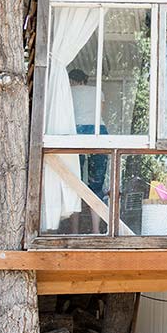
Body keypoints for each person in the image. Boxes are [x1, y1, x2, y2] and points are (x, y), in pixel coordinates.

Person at [69, 69, 109, 234]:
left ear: (71, 80)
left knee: (73, 182)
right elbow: (100, 114)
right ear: (85, 80)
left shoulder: (68, 92)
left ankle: (74, 230)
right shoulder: (97, 91)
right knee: (96, 185)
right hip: (99, 133)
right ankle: (95, 230)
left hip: (76, 132)